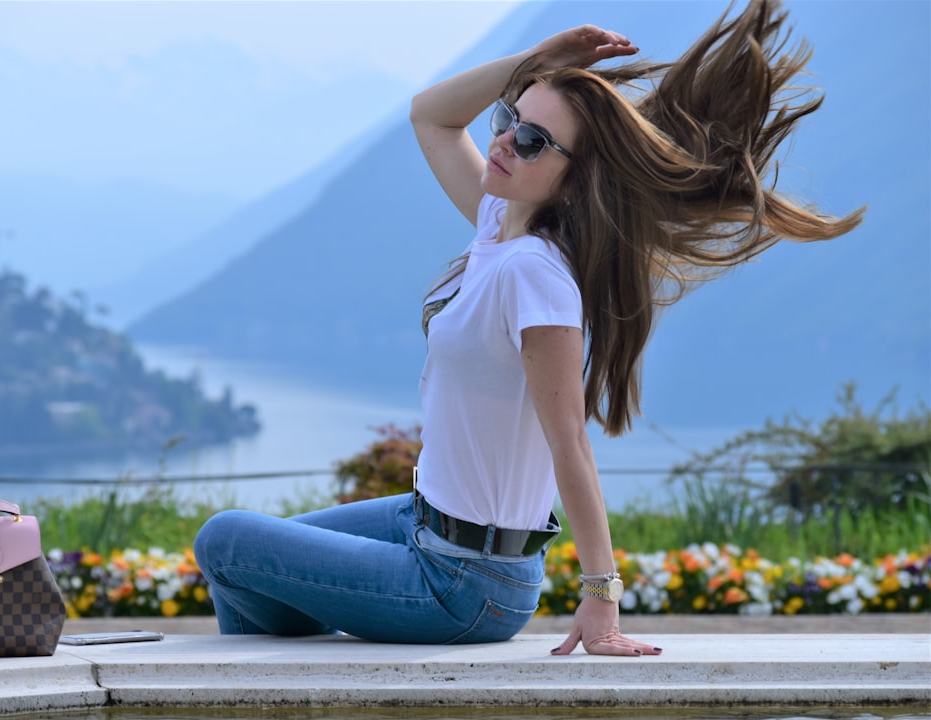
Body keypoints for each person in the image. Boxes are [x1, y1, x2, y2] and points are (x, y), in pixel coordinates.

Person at [194, 0, 862, 656]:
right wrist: (536, 61)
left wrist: (602, 594)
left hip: (464, 581)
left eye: (535, 141)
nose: (506, 140)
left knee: (225, 541)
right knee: (247, 564)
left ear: (573, 181)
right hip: (423, 524)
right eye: (511, 118)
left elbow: (569, 440)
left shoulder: (533, 275)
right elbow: (430, 115)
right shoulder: (497, 223)